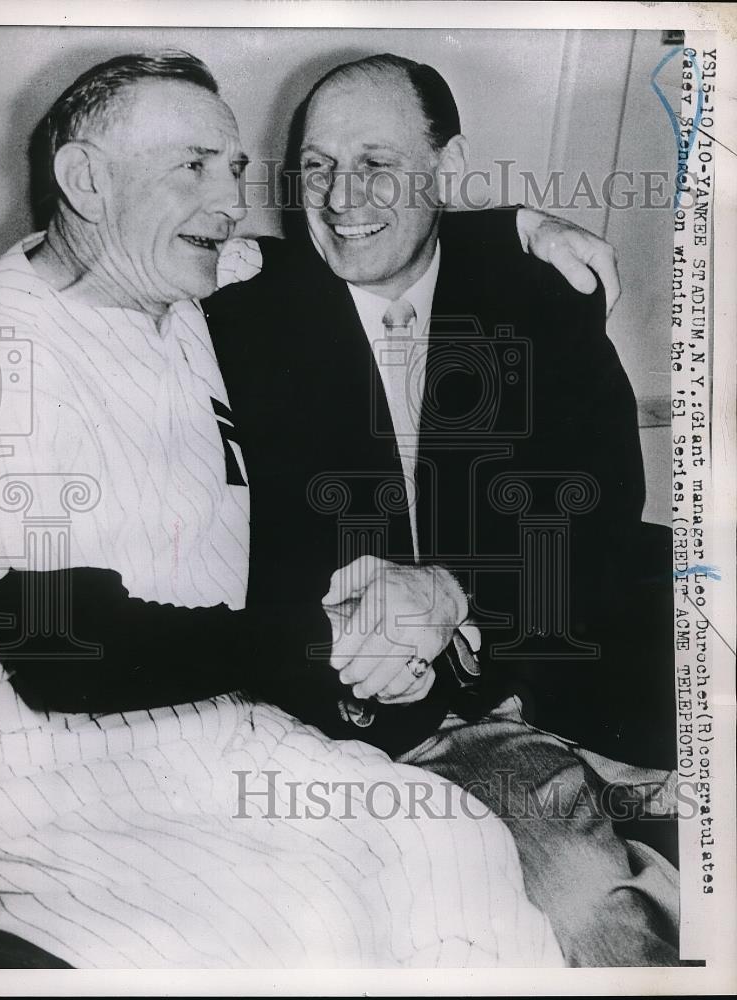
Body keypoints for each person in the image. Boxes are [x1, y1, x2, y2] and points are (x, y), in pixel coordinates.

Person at [0, 50, 614, 970]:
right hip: (57, 771)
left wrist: (521, 224)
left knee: (451, 845)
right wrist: (329, 637)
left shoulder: (183, 288)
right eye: (192, 165)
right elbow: (50, 645)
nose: (230, 200)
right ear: (85, 181)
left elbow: (389, 236)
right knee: (315, 917)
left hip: (216, 728)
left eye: (234, 168)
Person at [205, 53, 679, 966]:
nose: (342, 196)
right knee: (583, 916)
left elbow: (603, 508)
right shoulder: (242, 311)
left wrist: (457, 596)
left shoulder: (540, 291)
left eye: (377, 162)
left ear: (447, 170)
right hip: (410, 724)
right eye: (315, 164)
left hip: (589, 671)